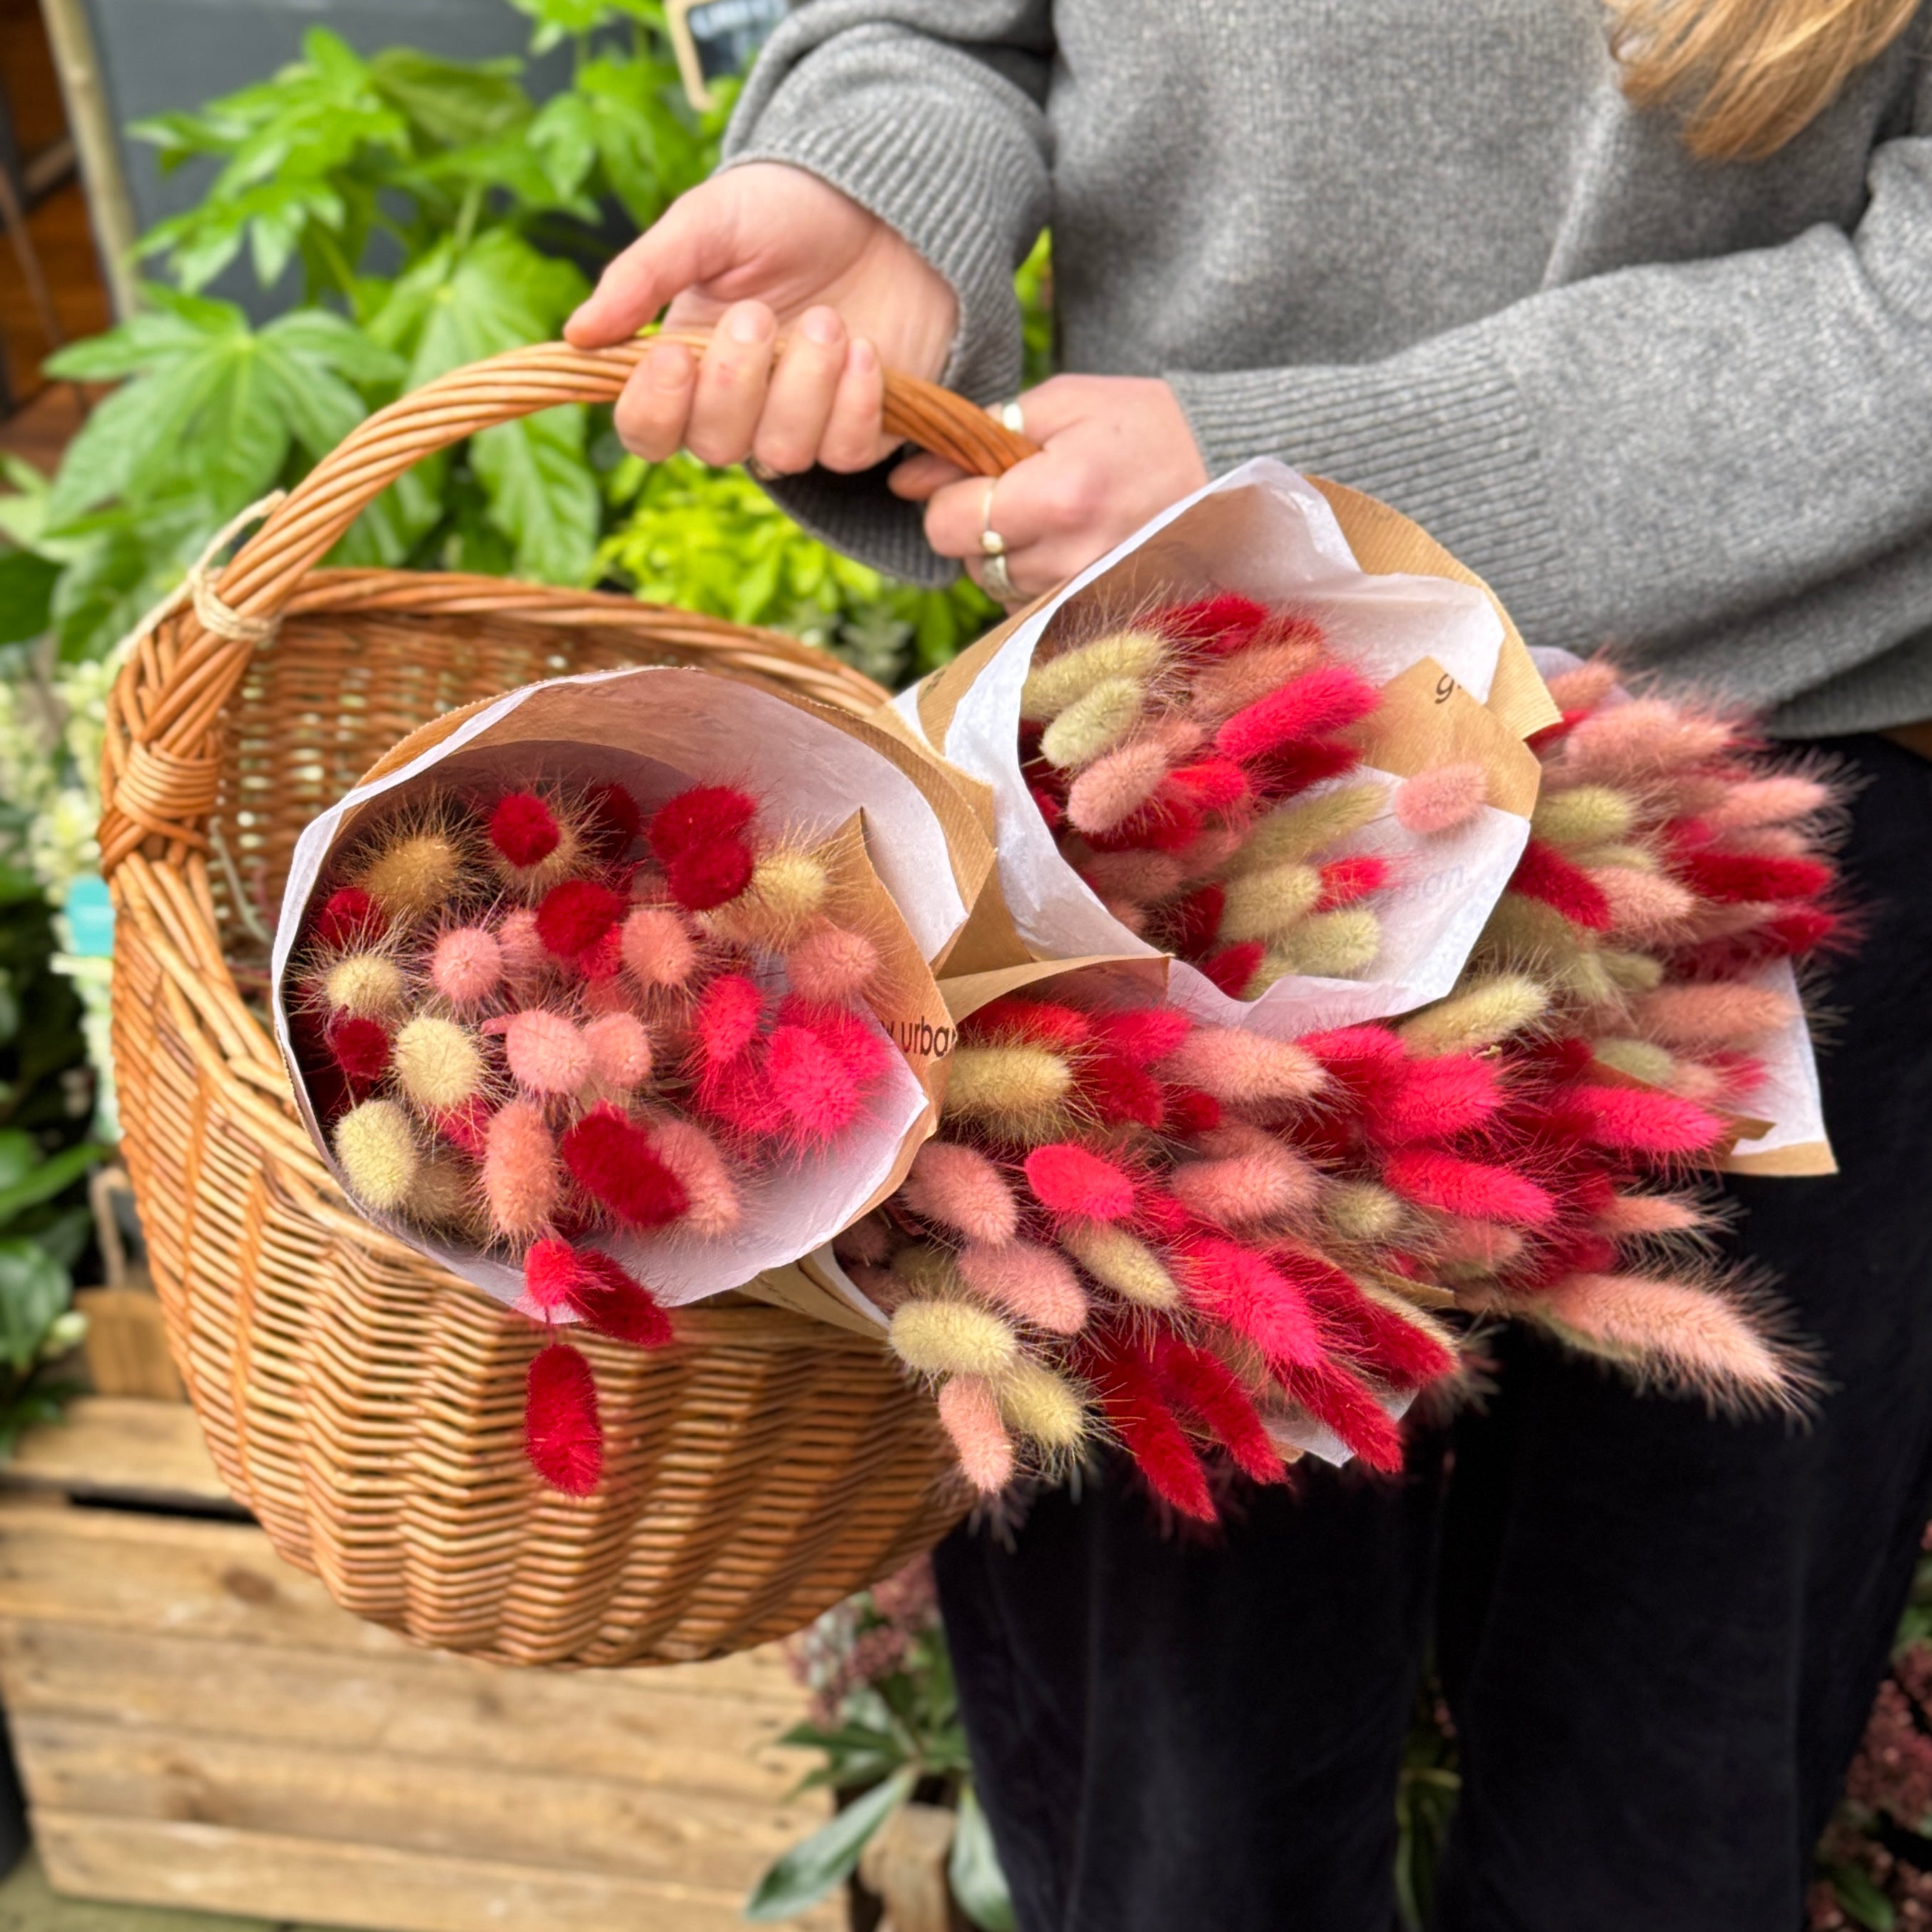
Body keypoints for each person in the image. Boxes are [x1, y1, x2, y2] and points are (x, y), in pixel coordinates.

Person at [565, 4, 1932, 1925]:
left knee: (1655, 1837)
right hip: (1160, 823)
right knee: (1166, 1841)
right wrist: (868, 187)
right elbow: (930, 25)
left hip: (1760, 838)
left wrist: (1310, 482)